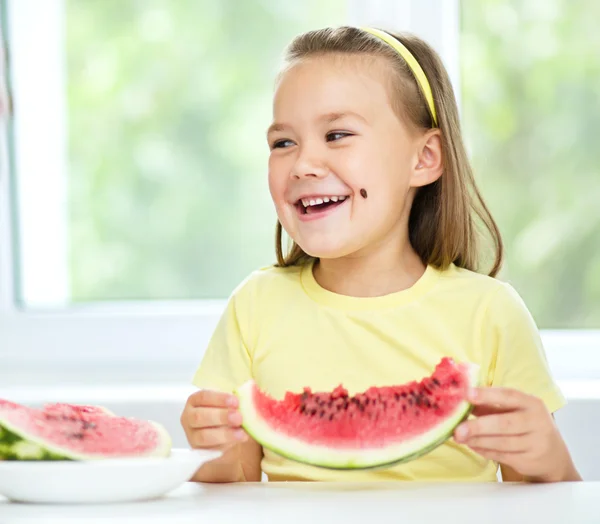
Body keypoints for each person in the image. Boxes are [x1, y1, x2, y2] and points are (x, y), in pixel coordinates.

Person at [180, 26, 580, 484]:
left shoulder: (490, 313)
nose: (304, 163)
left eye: (337, 134)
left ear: (424, 158)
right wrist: (213, 453)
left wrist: (549, 459)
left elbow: (551, 501)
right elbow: (236, 488)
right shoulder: (254, 308)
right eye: (283, 143)